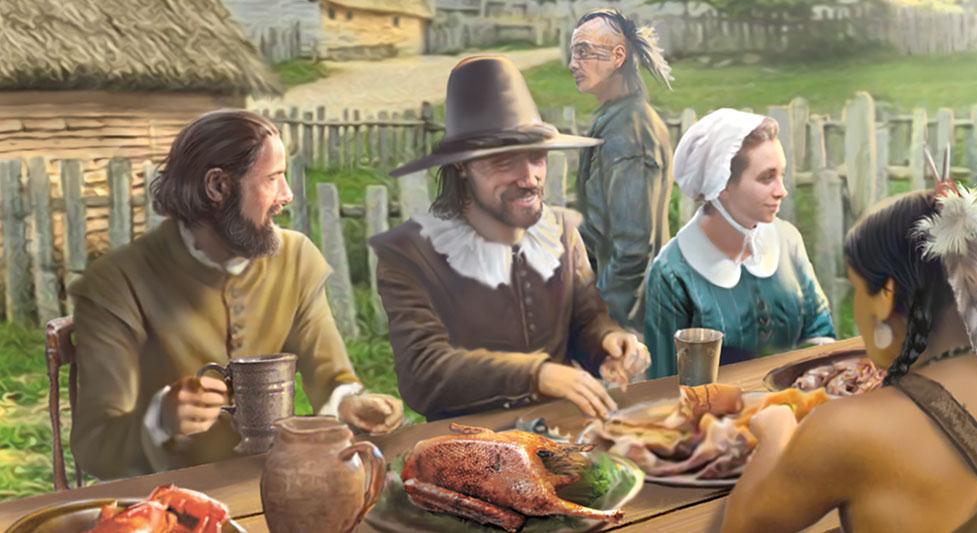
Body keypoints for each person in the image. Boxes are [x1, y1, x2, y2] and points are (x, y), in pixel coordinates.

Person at [722, 178, 977, 533]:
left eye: (857, 288)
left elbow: (742, 527)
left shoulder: (844, 429)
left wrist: (776, 430)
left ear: (886, 294)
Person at [71, 110, 403, 480]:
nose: (287, 195)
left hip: (280, 481)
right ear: (217, 187)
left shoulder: (296, 258)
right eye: (273, 179)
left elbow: (328, 373)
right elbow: (96, 448)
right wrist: (161, 418)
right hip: (169, 502)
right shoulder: (117, 283)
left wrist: (349, 403)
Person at [370, 56, 650, 422]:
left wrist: (608, 343)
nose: (529, 176)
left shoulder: (561, 232)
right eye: (505, 162)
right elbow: (424, 373)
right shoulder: (409, 254)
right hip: (464, 445)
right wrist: (537, 374)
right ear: (462, 166)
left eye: (537, 157)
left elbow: (586, 318)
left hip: (563, 430)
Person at [643, 109, 835, 379]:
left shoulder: (787, 240)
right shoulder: (672, 273)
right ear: (722, 184)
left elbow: (821, 331)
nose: (782, 190)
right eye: (767, 178)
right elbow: (662, 384)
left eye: (781, 175)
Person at [569, 9, 675, 330]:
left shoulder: (627, 132)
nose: (573, 64)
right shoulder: (616, 120)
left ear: (617, 56)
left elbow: (632, 252)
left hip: (629, 327)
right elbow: (598, 227)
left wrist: (604, 325)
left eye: (583, 52)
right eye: (573, 54)